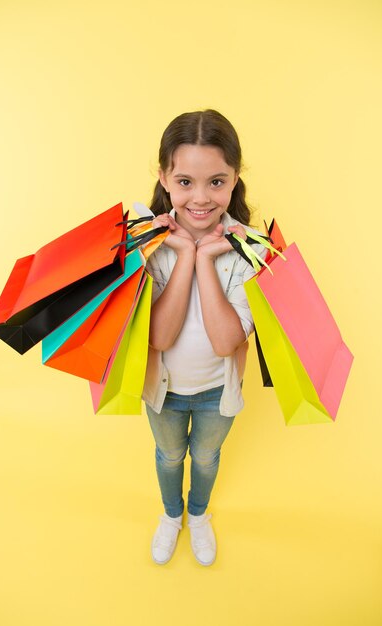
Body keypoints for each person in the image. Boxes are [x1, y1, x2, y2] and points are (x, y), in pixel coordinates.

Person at [142, 109, 267, 566]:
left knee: (207, 459)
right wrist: (184, 253)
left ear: (235, 179)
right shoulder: (148, 246)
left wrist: (208, 257)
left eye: (217, 181)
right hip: (164, 391)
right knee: (169, 456)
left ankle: (198, 516)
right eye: (185, 181)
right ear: (164, 178)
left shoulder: (251, 250)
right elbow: (158, 337)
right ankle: (171, 516)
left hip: (218, 393)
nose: (200, 197)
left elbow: (224, 342)